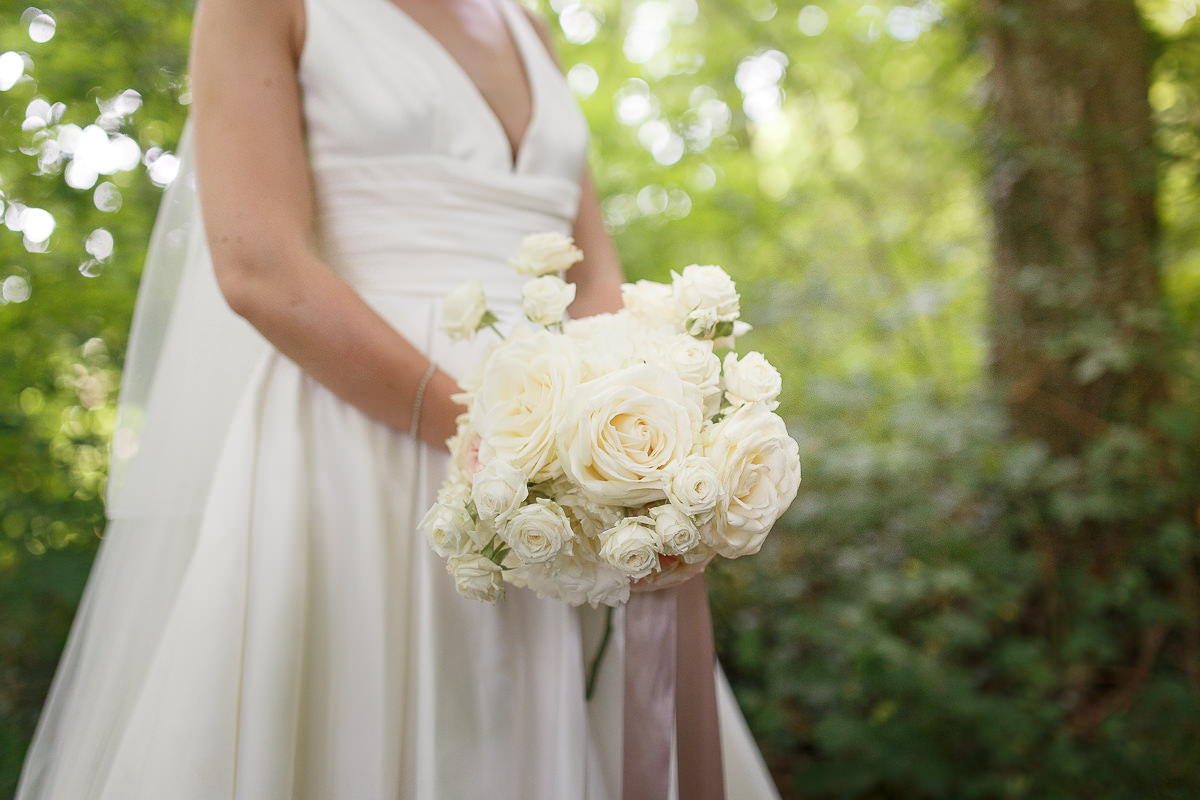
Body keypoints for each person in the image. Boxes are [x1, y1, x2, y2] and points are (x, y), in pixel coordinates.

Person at [16, 0, 782, 797]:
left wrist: (630, 431)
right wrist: (500, 438)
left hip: (567, 474)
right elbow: (260, 268)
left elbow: (592, 272)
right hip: (359, 445)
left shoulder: (528, 23)